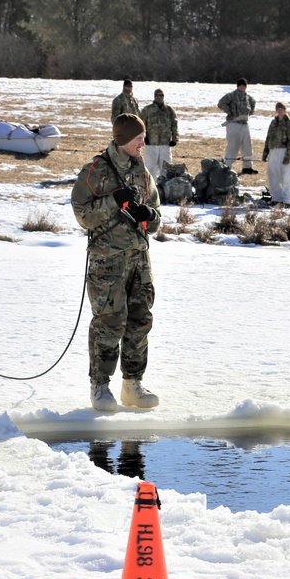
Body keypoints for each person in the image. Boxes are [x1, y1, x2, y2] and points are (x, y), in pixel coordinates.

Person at [71, 113, 162, 412]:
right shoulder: (96, 171)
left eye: (143, 138)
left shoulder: (143, 172)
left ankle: (132, 385)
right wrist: (113, 202)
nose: (143, 144)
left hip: (138, 259)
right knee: (109, 324)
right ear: (123, 140)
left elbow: (157, 215)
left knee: (139, 321)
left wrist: (149, 216)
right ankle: (100, 387)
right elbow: (82, 214)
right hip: (107, 263)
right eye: (138, 139)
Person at [217, 78, 257, 175]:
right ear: (238, 86)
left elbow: (253, 103)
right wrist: (230, 111)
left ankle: (247, 167)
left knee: (247, 147)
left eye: (244, 85)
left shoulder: (248, 97)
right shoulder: (231, 96)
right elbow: (220, 103)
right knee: (233, 146)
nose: (242, 87)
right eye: (241, 85)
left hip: (244, 124)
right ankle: (227, 166)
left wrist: (250, 113)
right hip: (234, 124)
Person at [261, 101, 290, 206]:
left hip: (284, 151)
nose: (280, 111)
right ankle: (276, 198)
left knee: (286, 177)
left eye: (281, 109)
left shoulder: (289, 124)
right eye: (278, 109)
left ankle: (288, 200)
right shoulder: (273, 123)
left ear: (285, 110)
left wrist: (288, 157)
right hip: (273, 152)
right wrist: (265, 152)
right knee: (273, 176)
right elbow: (268, 138)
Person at [140, 89, 179, 180]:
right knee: (150, 168)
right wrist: (143, 137)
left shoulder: (169, 110)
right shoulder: (147, 110)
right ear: (154, 96)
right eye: (157, 95)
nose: (159, 97)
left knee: (165, 168)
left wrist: (174, 139)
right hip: (151, 143)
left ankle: (164, 187)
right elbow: (141, 124)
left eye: (161, 95)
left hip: (165, 143)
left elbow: (174, 125)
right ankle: (150, 188)